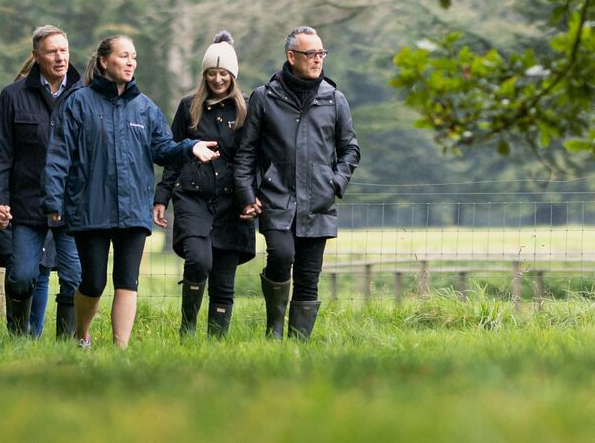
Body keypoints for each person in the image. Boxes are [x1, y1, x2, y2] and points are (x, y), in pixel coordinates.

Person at [42, 31, 216, 348]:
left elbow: (163, 149)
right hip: (90, 208)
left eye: (133, 57)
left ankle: (121, 349)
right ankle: (82, 333)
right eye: (124, 55)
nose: (130, 62)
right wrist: (54, 201)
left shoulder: (144, 108)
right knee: (93, 282)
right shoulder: (78, 103)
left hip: (133, 210)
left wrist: (190, 147)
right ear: (104, 61)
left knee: (127, 282)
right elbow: (58, 156)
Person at [237, 24, 359, 341]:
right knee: (280, 255)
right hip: (275, 198)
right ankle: (274, 330)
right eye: (311, 53)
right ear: (292, 56)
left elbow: (350, 149)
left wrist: (334, 182)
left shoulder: (334, 99)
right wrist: (248, 193)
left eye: (321, 52)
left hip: (318, 201)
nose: (318, 59)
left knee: (308, 276)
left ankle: (298, 344)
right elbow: (246, 152)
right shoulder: (264, 98)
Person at [0, 25, 83, 337]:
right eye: (52, 51)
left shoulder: (84, 94)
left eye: (64, 50)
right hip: (26, 207)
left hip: (71, 207)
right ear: (36, 56)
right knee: (22, 276)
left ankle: (67, 344)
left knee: (75, 277)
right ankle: (19, 338)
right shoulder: (12, 97)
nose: (60, 57)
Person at [155, 32, 257, 336]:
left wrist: (253, 196)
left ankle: (216, 342)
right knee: (198, 260)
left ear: (233, 75)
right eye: (211, 73)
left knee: (224, 279)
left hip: (232, 201)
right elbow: (173, 154)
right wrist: (161, 197)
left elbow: (253, 157)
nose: (217, 79)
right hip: (193, 197)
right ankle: (187, 330)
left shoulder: (247, 110)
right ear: (204, 74)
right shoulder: (189, 107)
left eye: (223, 73)